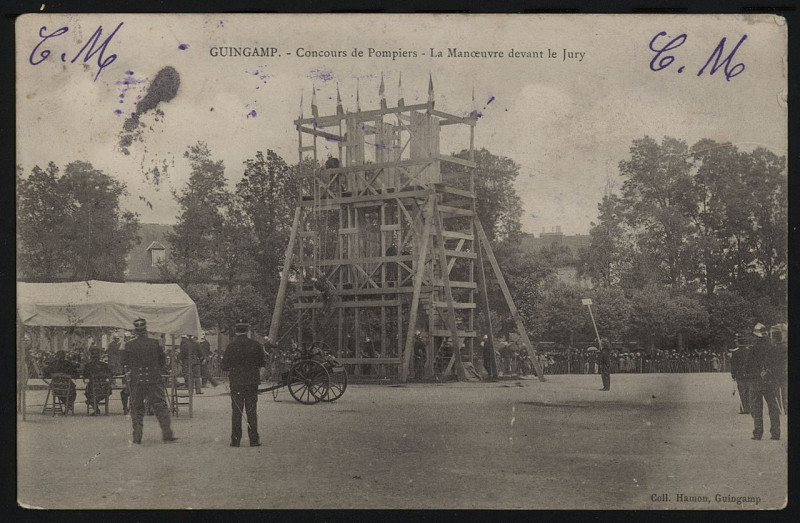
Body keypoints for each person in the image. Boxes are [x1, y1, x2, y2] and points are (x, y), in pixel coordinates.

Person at [121, 318, 177, 444]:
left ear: (135, 331)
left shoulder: (129, 345)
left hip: (137, 380)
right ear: (146, 329)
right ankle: (167, 435)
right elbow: (162, 360)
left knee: (136, 408)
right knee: (161, 407)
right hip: (153, 379)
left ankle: (137, 436)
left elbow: (124, 361)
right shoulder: (154, 343)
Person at [220, 319, 267, 447]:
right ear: (247, 329)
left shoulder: (231, 346)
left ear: (236, 330)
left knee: (237, 411)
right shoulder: (256, 345)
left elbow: (224, 366)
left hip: (237, 382)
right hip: (252, 382)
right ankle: (254, 439)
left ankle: (235, 440)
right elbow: (262, 363)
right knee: (252, 411)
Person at [743, 323, 780, 441]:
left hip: (756, 381)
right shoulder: (773, 347)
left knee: (757, 407)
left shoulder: (752, 349)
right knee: (773, 407)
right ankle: (776, 432)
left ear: (756, 335)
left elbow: (747, 366)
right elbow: (777, 364)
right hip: (769, 381)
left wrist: (753, 373)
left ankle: (758, 433)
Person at [82, 348, 112, 415]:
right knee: (97, 392)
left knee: (88, 392)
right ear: (99, 357)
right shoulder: (105, 365)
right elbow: (110, 375)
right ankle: (93, 402)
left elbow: (85, 376)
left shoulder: (87, 366)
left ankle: (93, 404)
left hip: (92, 389)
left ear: (91, 357)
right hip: (105, 389)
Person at [730, 334, 749, 414]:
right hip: (748, 373)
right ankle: (749, 407)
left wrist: (733, 374)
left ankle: (744, 408)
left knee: (742, 390)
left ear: (738, 343)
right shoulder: (749, 351)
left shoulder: (735, 352)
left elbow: (733, 364)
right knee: (748, 390)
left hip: (739, 373)